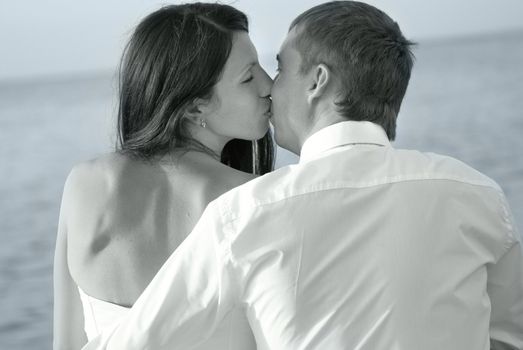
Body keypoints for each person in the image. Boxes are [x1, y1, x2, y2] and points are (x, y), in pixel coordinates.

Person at [83, 1, 523, 349]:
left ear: (317, 81)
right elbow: (507, 339)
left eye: (280, 67)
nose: (271, 87)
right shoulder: (479, 196)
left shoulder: (246, 214)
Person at [53, 3, 274, 349]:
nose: (269, 86)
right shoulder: (255, 199)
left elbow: (64, 342)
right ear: (194, 106)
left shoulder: (84, 184)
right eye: (249, 76)